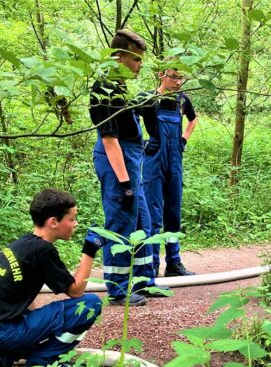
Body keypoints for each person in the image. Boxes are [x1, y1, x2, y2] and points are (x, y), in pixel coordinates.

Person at [0, 189, 103, 367]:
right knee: (90, 305)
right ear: (53, 222)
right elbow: (76, 291)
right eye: (72, 219)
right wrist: (90, 249)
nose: (76, 224)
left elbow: (22, 291)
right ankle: (42, 365)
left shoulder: (23, 244)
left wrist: (37, 326)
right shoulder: (42, 250)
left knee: (43, 322)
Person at [89, 29, 161, 306]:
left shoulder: (121, 89)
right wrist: (124, 183)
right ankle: (118, 290)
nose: (140, 65)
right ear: (120, 57)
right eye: (137, 60)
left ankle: (144, 281)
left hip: (133, 161)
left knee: (142, 221)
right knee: (121, 224)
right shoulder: (103, 89)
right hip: (116, 162)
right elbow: (109, 140)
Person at [140, 64, 198, 277]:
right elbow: (129, 119)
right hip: (154, 160)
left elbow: (193, 119)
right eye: (174, 77)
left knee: (173, 213)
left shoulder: (181, 100)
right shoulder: (147, 99)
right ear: (161, 75)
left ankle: (173, 263)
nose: (177, 82)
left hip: (174, 160)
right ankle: (151, 265)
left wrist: (183, 140)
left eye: (180, 78)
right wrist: (142, 142)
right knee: (153, 214)